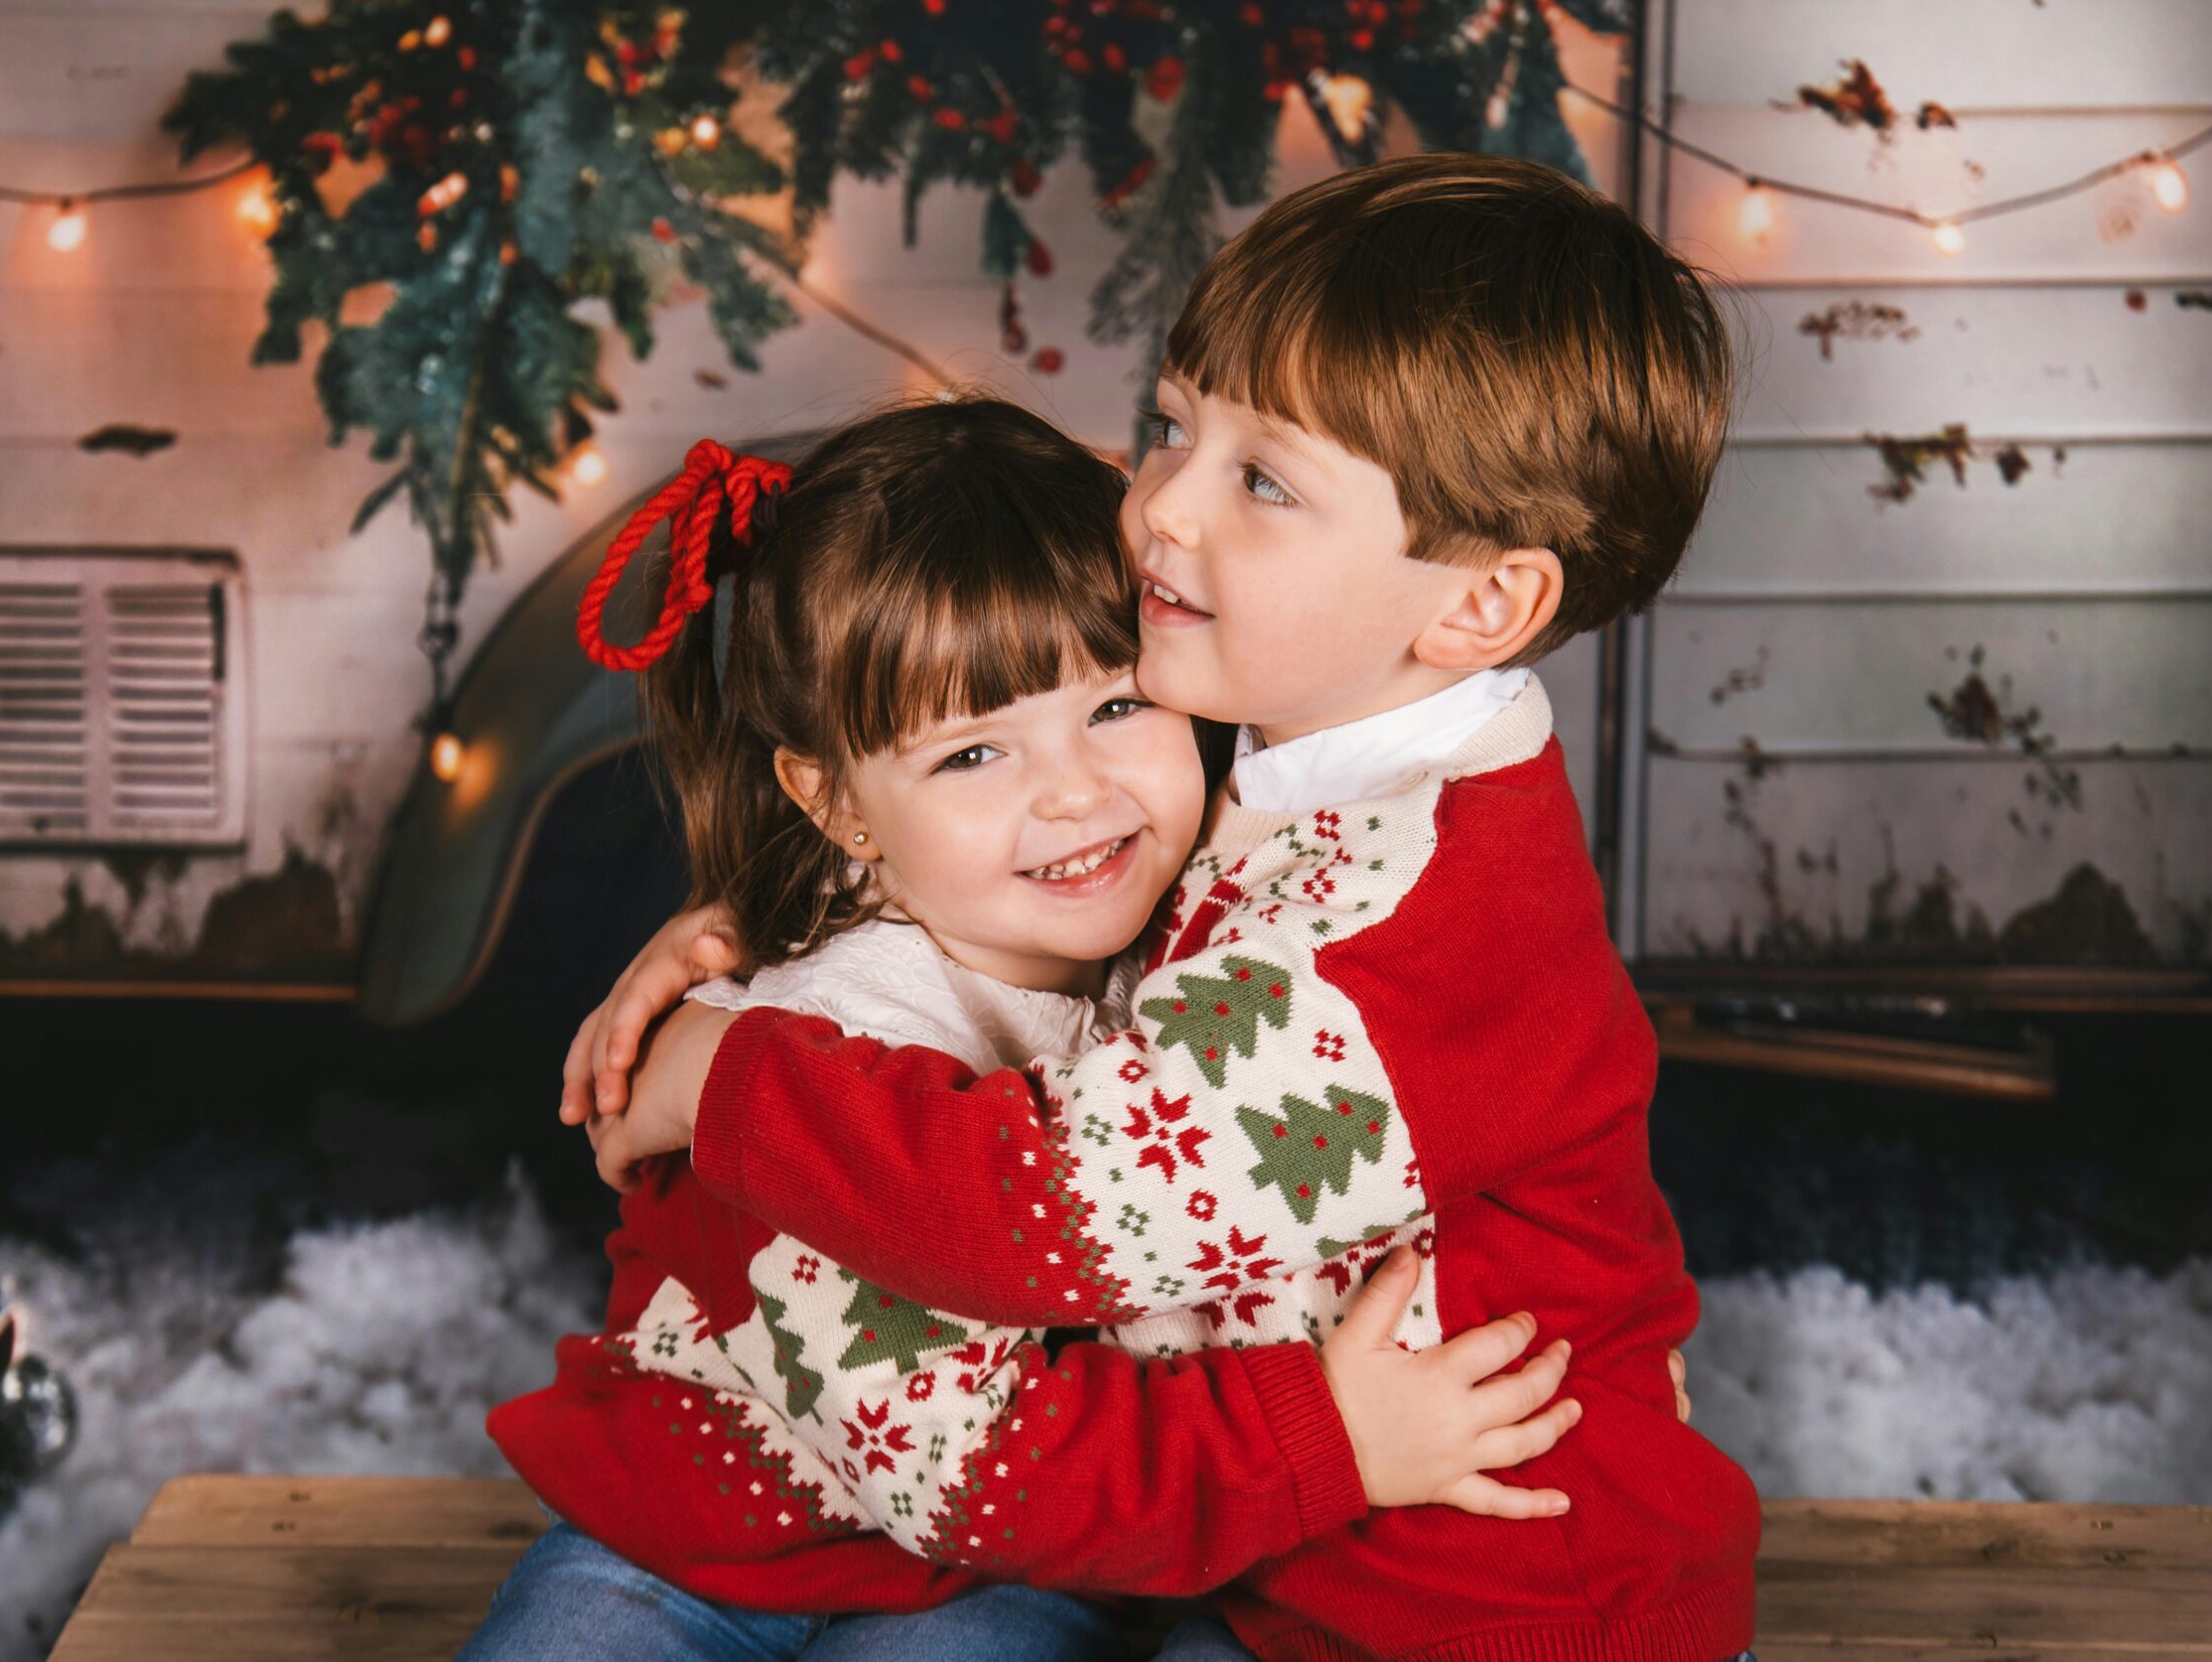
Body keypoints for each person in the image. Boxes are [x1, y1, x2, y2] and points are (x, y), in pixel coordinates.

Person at [566, 154, 1760, 1662]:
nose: (1158, 512)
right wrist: (747, 936)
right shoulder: (1302, 755)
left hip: (1498, 1610)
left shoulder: (1398, 945)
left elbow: (1030, 1210)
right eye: (1177, 428)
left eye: (1262, 480)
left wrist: (719, 1074)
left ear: (1473, 605)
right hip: (1283, 1563)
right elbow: (1017, 866)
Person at [462, 397, 1584, 1662]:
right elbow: (959, 1461)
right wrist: (1326, 1441)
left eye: (1115, 709)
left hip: (1026, 1562)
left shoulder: (1210, 904)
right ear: (837, 806)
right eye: (971, 757)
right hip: (720, 1541)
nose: (1075, 793)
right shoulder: (800, 1069)